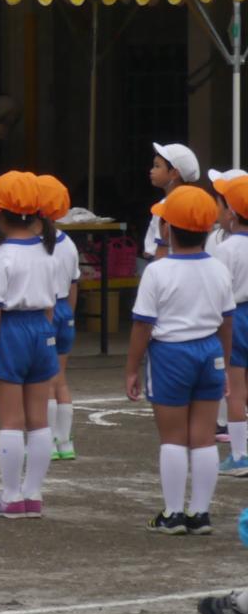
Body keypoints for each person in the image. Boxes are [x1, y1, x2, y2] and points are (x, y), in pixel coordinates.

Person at [126, 186, 232, 535]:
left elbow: (143, 325)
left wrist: (131, 368)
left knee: (172, 437)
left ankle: (172, 513)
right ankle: (200, 514)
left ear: (167, 228)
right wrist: (226, 364)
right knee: (202, 437)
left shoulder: (157, 271)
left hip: (170, 354)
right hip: (210, 352)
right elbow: (226, 322)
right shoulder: (218, 269)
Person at [0, 172, 62, 520]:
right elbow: (51, 304)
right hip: (41, 330)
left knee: (10, 420)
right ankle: (33, 494)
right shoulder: (47, 251)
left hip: (10, 332)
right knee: (38, 420)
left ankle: (10, 496)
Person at [39, 176, 83, 462]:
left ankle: (48, 441)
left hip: (43, 312)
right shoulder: (69, 243)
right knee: (60, 379)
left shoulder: (35, 245)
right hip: (65, 310)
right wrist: (70, 316)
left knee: (44, 381)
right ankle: (64, 441)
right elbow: (74, 285)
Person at [215, 175, 248, 477]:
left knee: (235, 389)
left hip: (236, 317)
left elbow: (218, 291)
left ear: (233, 213)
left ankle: (240, 455)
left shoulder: (226, 249)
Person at [144, 142, 200, 260]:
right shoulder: (191, 203)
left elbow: (161, 249)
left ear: (174, 173)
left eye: (157, 166)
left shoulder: (166, 206)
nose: (151, 170)